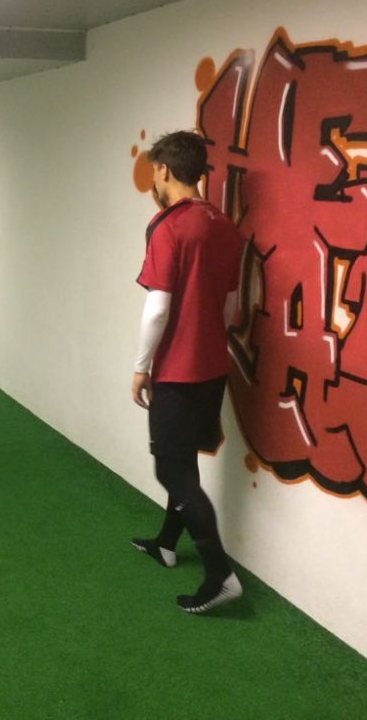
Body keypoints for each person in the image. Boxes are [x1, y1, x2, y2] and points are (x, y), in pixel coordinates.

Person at [129, 130, 245, 614]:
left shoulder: (168, 226)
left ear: (164, 170)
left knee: (170, 468)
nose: (154, 179)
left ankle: (220, 575)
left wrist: (141, 367)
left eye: (155, 170)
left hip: (178, 370)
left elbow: (158, 309)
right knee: (184, 462)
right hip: (213, 365)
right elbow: (232, 305)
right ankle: (166, 544)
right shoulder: (223, 224)